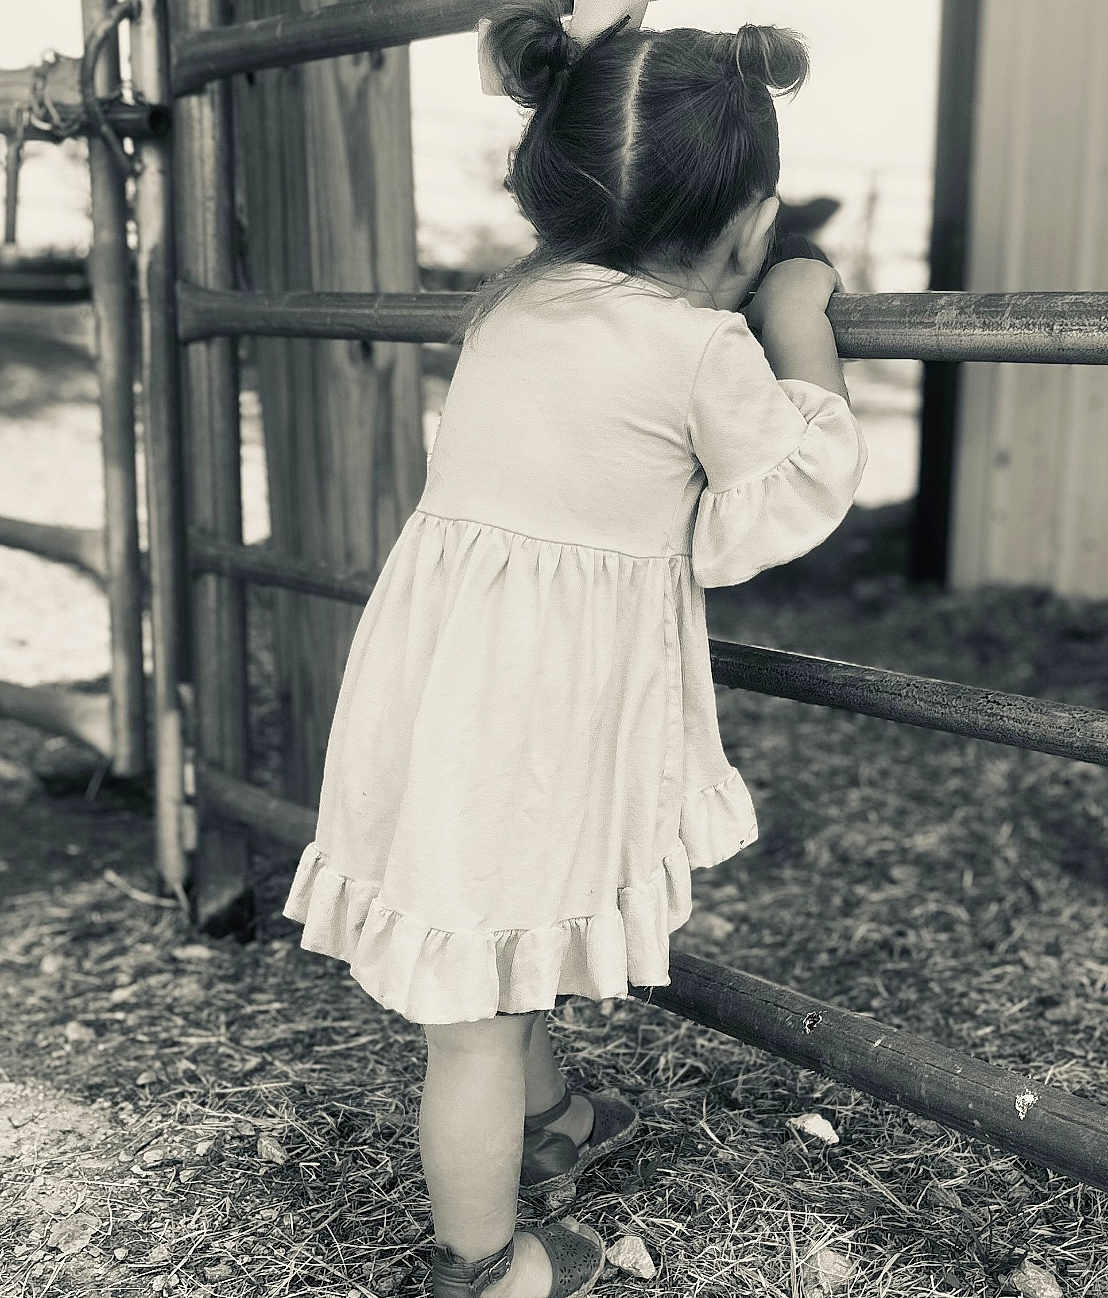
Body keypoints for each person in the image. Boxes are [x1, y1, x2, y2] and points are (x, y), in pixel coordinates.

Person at [281, 1, 867, 1293]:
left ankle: (549, 1125)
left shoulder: (512, 309)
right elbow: (785, 490)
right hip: (543, 711)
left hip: (440, 689)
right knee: (475, 1024)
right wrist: (801, 313)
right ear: (748, 215)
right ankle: (483, 1264)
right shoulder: (701, 347)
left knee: (493, 939)